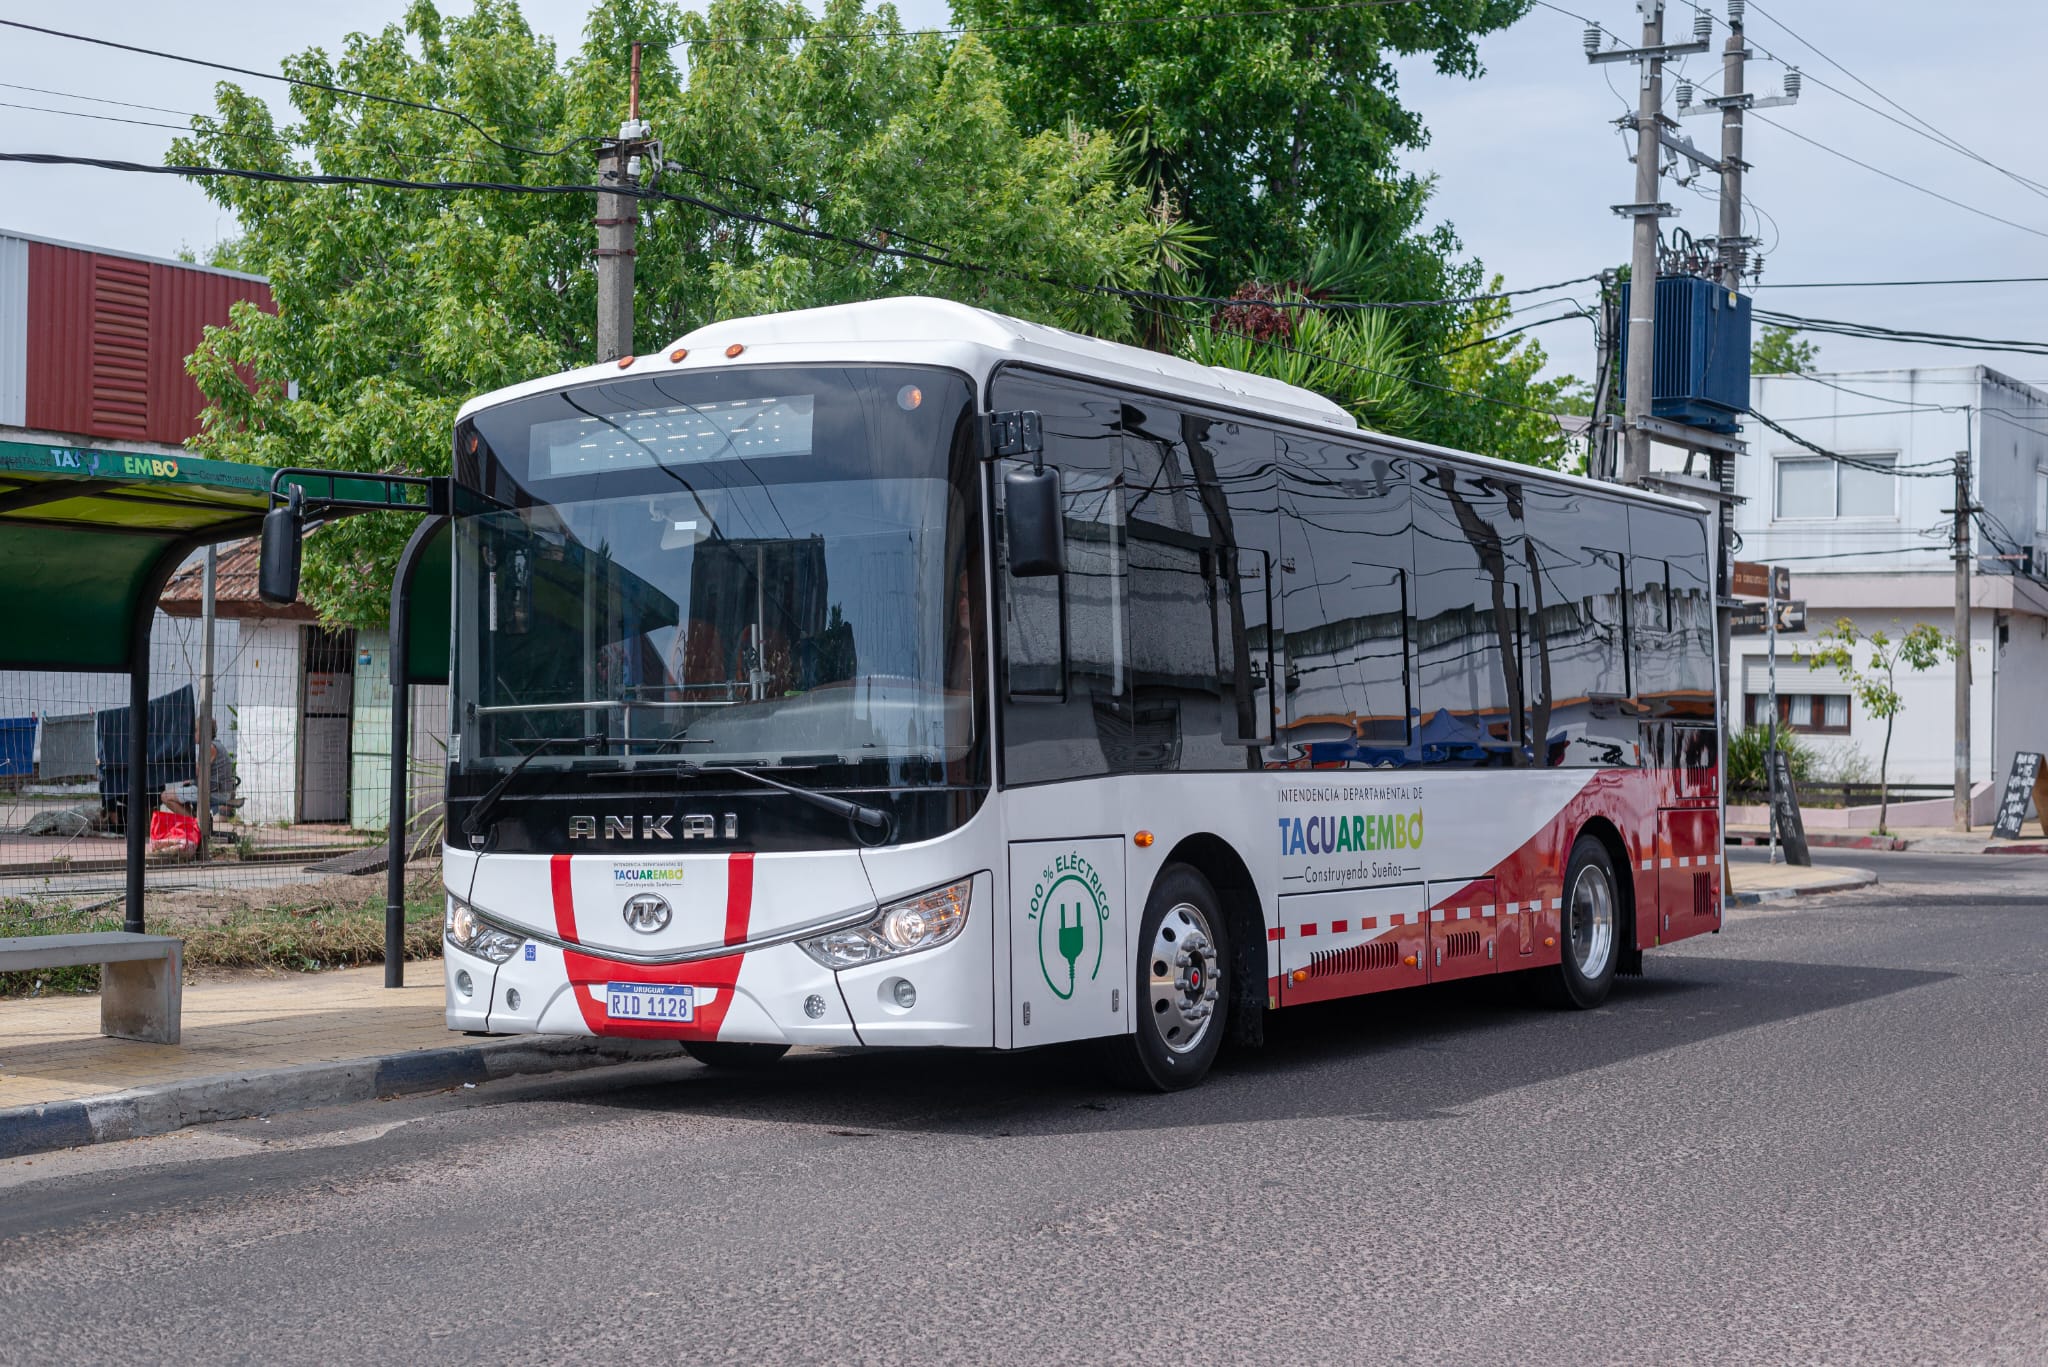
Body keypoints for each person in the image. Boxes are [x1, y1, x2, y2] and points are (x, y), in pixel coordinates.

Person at [162, 718, 234, 819]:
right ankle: (195, 822)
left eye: (195, 730)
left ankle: (195, 823)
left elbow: (196, 771)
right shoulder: (212, 745)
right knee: (182, 791)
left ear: (205, 731)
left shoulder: (210, 748)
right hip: (213, 790)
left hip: (215, 793)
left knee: (165, 796)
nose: (192, 733)